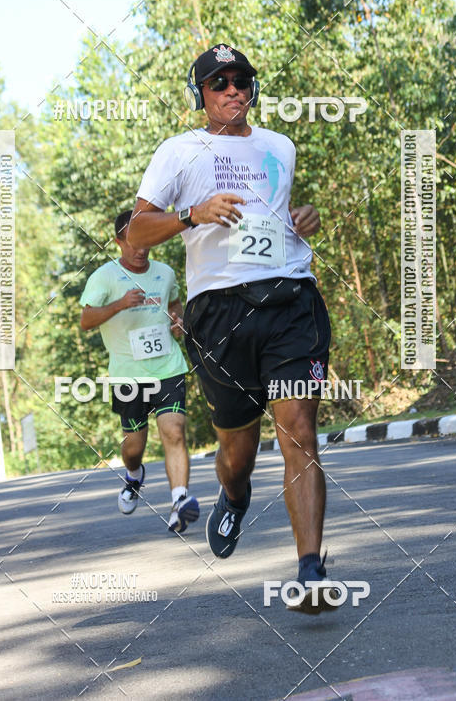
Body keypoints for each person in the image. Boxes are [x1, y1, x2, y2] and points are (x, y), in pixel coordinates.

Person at [127, 43, 335, 614]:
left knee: (298, 430)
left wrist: (302, 220)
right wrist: (192, 214)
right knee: (237, 448)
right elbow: (135, 234)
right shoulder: (177, 152)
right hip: (217, 313)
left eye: (241, 80)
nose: (232, 91)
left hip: (289, 297)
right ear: (201, 94)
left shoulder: (280, 146)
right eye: (218, 82)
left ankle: (310, 571)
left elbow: (277, 216)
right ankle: (235, 493)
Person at [79, 209, 199, 534]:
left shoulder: (165, 272)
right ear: (118, 242)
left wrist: (177, 320)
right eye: (132, 242)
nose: (140, 249)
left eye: (145, 241)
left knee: (174, 431)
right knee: (134, 448)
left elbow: (175, 304)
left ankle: (180, 501)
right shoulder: (103, 277)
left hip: (168, 367)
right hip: (128, 375)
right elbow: (86, 320)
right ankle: (133, 476)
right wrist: (119, 304)